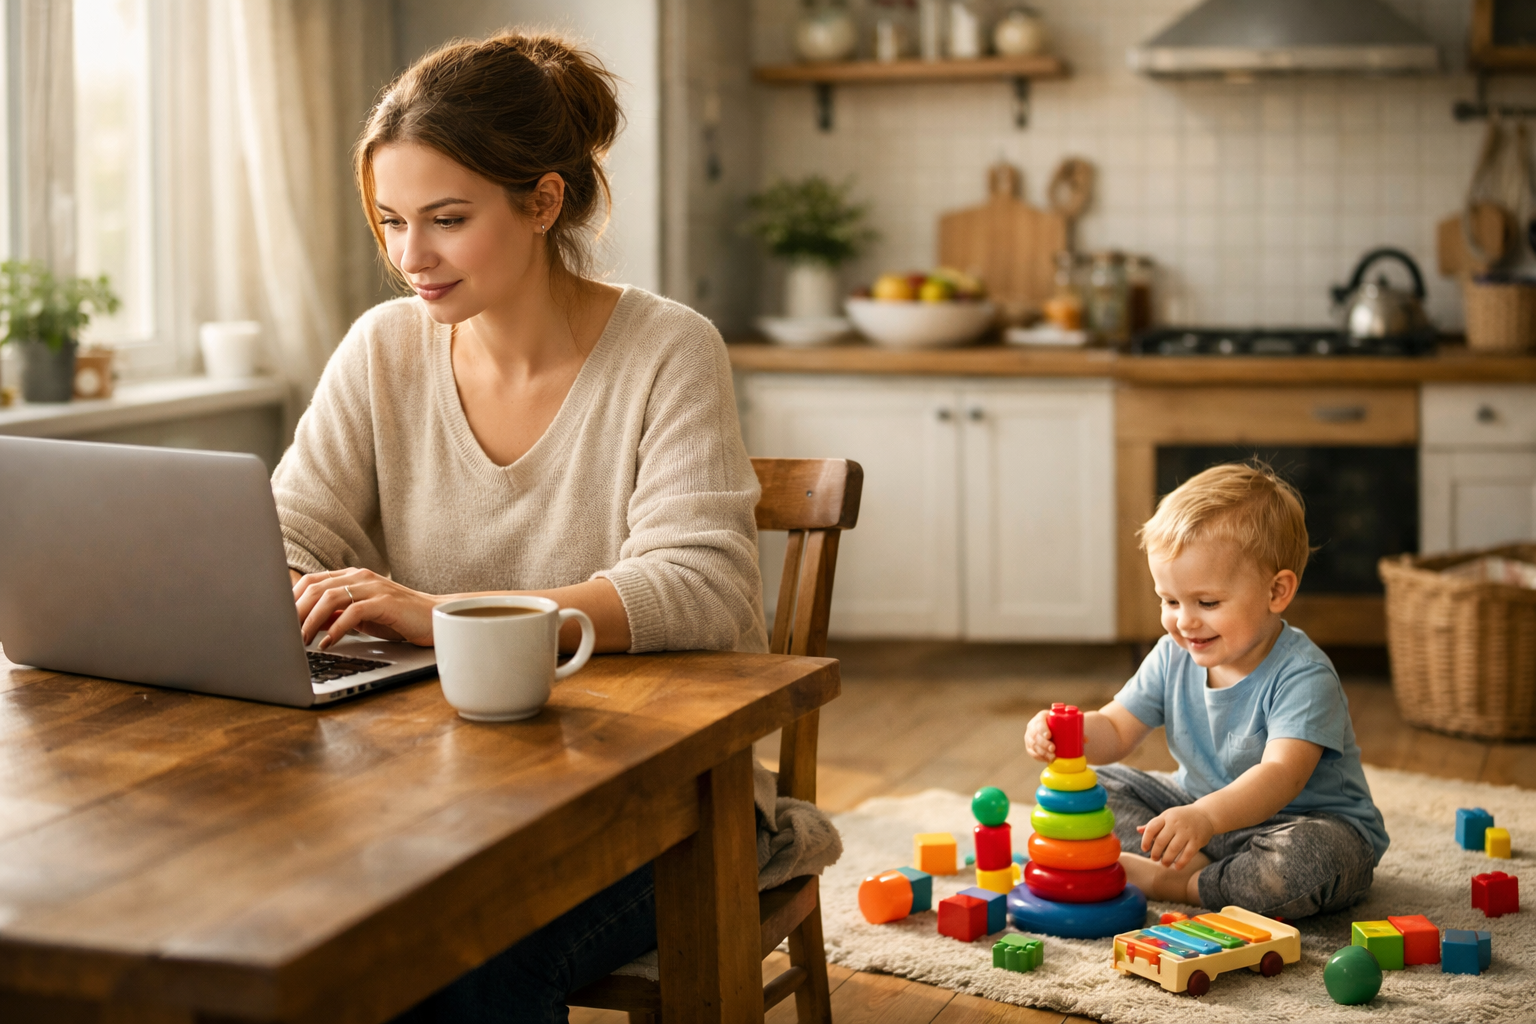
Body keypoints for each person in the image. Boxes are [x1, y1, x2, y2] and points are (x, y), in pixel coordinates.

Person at [269, 31, 769, 1022]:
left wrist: (446, 615)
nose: (411, 257)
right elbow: (282, 535)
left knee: (459, 959)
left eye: (447, 220)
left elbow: (705, 586)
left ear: (542, 203)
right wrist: (290, 594)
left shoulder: (669, 349)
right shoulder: (382, 350)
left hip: (668, 803)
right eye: (392, 221)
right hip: (446, 794)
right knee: (293, 923)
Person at [1024, 463, 1388, 919]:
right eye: (1169, 600)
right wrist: (1068, 733)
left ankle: (1182, 881)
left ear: (1277, 592)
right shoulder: (1171, 654)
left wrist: (1207, 818)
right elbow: (1116, 729)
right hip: (1197, 812)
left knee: (1315, 860)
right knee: (1094, 790)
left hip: (1295, 825)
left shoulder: (1304, 675)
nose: (1184, 621)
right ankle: (1209, 866)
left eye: (1207, 602)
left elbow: (1280, 776)